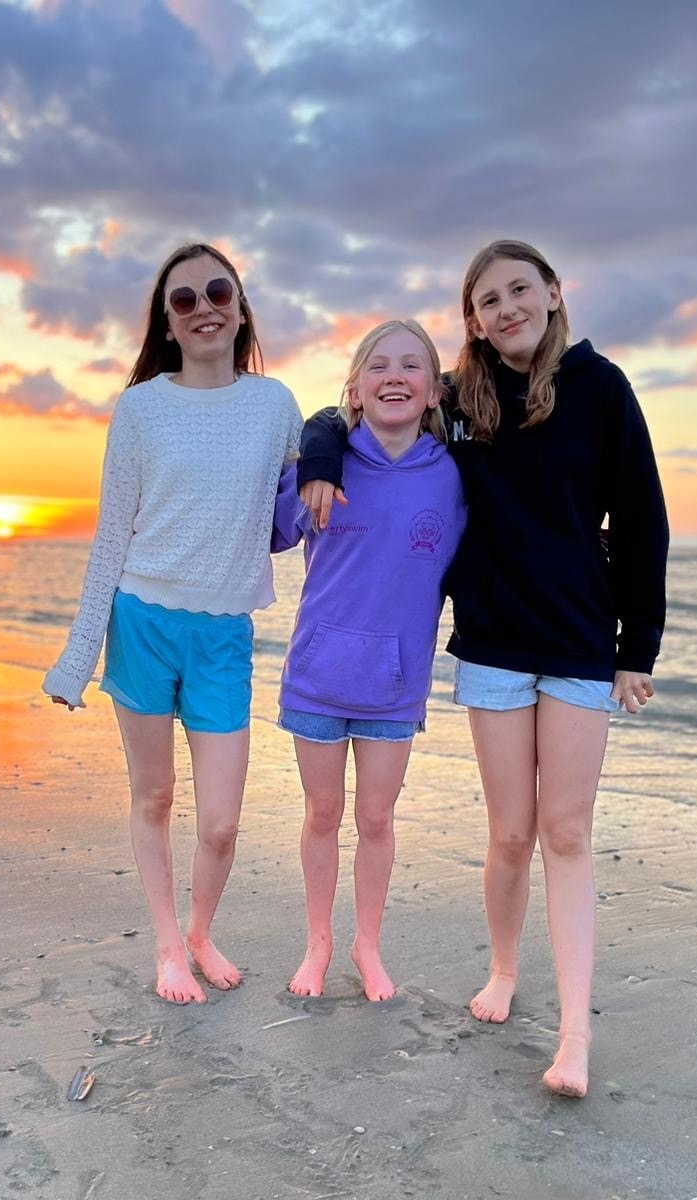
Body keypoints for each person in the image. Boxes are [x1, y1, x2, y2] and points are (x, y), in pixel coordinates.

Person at [296, 241, 668, 1096]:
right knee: (509, 834)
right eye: (486, 301)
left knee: (566, 831)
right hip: (494, 643)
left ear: (551, 293)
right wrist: (318, 458)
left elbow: (643, 517)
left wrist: (635, 649)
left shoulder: (602, 388)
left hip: (579, 642)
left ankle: (574, 1036)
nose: (504, 310)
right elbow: (355, 412)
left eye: (517, 292)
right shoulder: (459, 397)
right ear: (472, 318)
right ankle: (503, 969)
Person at [44, 243, 303, 1005]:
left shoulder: (274, 404)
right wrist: (78, 655)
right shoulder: (141, 408)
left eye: (217, 291)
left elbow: (318, 483)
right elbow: (110, 535)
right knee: (153, 798)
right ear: (167, 320)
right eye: (184, 299)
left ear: (242, 306)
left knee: (221, 822)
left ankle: (200, 931)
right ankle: (167, 946)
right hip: (143, 621)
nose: (204, 308)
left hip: (225, 632)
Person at [272, 320, 466, 1002]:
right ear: (354, 389)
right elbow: (262, 530)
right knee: (322, 814)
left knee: (377, 820)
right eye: (377, 365)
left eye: (411, 365)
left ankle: (367, 945)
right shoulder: (323, 465)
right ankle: (318, 943)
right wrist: (301, 459)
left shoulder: (451, 479)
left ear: (434, 392)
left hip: (395, 685)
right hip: (319, 678)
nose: (394, 375)